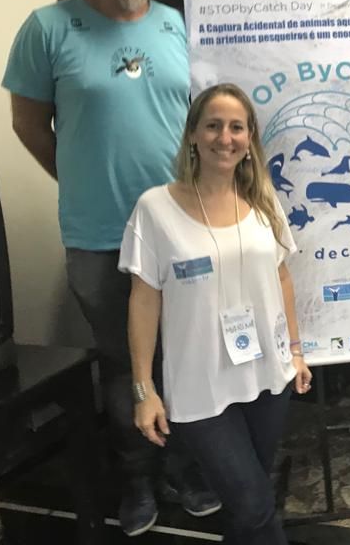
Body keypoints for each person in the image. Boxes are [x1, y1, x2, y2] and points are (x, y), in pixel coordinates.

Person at [2, 0, 218, 536]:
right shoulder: (49, 28)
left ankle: (183, 467)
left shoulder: (177, 26)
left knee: (185, 357)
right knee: (126, 364)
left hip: (181, 228)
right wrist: (82, 181)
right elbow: (27, 124)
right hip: (100, 237)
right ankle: (137, 481)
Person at [122, 83, 312, 545]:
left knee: (246, 506)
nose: (224, 138)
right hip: (199, 386)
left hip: (268, 376)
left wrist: (295, 351)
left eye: (236, 127)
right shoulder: (155, 208)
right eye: (212, 126)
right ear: (192, 134)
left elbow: (282, 276)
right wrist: (144, 390)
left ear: (249, 139)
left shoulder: (263, 199)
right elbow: (143, 301)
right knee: (254, 502)